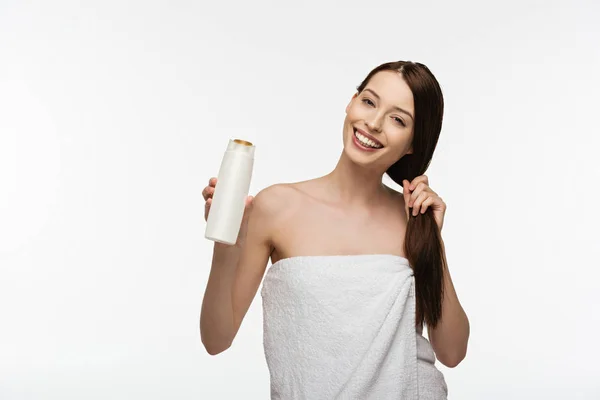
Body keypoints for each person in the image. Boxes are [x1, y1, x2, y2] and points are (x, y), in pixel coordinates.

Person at [200, 61, 470, 399]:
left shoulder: (414, 220)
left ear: (414, 142)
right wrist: (227, 244)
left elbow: (453, 352)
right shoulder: (277, 207)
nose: (372, 123)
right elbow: (216, 339)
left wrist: (433, 239)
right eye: (369, 102)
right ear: (351, 102)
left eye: (398, 119)